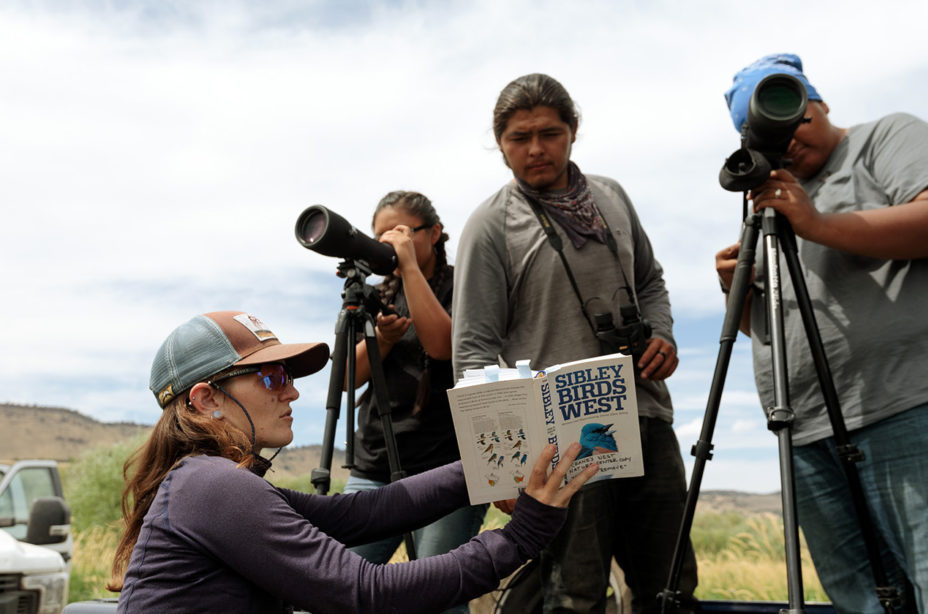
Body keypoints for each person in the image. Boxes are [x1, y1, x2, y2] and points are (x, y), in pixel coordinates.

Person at [715, 54, 928, 614]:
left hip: (916, 401)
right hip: (805, 429)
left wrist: (818, 225)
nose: (788, 138)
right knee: (863, 602)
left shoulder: (885, 137)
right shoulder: (772, 198)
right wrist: (737, 292)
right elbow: (767, 332)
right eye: (767, 130)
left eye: (795, 116)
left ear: (820, 102)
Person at [109, 310, 598, 614]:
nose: (293, 390)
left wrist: (486, 469)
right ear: (205, 398)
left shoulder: (207, 481)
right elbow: (367, 594)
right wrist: (521, 538)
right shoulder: (212, 486)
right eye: (272, 377)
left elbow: (358, 516)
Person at [452, 73, 698, 614]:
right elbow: (471, 350)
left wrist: (662, 335)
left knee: (671, 589)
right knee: (574, 594)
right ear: (501, 144)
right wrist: (501, 470)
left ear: (573, 132)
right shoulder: (491, 225)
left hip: (648, 416)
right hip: (564, 440)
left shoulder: (611, 195)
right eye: (520, 137)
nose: (536, 149)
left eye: (549, 133)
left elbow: (651, 281)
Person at [340, 191, 488, 614]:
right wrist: (383, 340)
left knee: (436, 597)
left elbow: (443, 346)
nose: (388, 242)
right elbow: (349, 378)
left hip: (446, 466)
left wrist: (408, 268)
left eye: (401, 232)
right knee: (342, 585)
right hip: (376, 465)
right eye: (379, 236)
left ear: (435, 233)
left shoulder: (465, 283)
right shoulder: (370, 294)